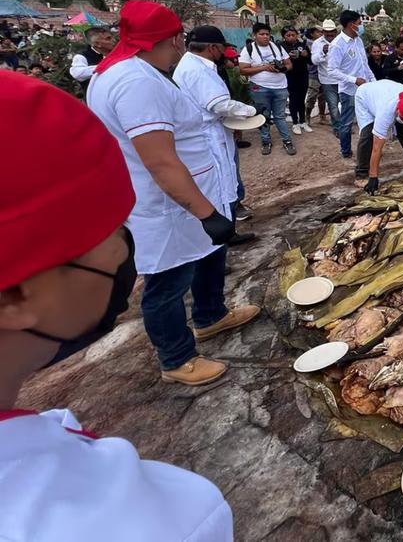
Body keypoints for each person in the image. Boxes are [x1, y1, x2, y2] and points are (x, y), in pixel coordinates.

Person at [0, 74, 234, 541]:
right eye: (112, 232)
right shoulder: (158, 520)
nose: (124, 253)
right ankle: (177, 358)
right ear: (15, 296)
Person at [87, 0, 259, 387]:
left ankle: (211, 315)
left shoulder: (126, 71)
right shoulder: (137, 83)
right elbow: (160, 161)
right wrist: (206, 213)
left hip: (190, 192)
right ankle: (177, 358)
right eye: (176, 40)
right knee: (169, 281)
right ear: (166, 40)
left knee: (207, 255)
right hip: (168, 203)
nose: (179, 47)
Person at [173, 25, 258, 235]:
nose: (223, 53)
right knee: (222, 182)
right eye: (221, 48)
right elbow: (220, 105)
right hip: (208, 135)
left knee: (225, 179)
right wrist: (251, 110)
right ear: (212, 48)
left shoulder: (192, 64)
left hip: (211, 130)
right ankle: (226, 233)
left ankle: (229, 229)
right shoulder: (197, 70)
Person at [353, 80, 403, 193]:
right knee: (367, 135)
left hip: (384, 90)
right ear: (397, 109)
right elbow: (377, 148)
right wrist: (373, 177)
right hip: (364, 96)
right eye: (402, 117)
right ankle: (361, 175)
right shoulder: (384, 113)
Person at [238, 22, 294, 156]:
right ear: (254, 35)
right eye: (261, 34)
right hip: (260, 87)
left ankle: (287, 141)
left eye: (267, 34)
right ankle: (266, 141)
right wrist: (264, 67)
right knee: (264, 116)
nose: (265, 37)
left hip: (280, 87)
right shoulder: (249, 49)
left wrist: (282, 69)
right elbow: (243, 70)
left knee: (280, 116)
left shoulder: (277, 47)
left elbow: (289, 64)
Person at [328, 10, 376, 159]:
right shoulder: (337, 45)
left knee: (368, 121)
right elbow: (331, 71)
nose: (361, 26)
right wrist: (353, 80)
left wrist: (373, 81)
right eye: (359, 23)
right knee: (347, 123)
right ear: (351, 25)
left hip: (366, 89)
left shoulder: (358, 40)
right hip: (349, 91)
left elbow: (364, 64)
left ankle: (368, 152)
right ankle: (346, 152)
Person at [310, 19, 341, 132]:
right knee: (333, 105)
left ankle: (344, 127)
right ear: (323, 32)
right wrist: (323, 52)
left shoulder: (341, 41)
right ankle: (337, 128)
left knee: (345, 105)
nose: (329, 34)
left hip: (343, 79)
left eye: (331, 31)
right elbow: (314, 61)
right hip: (327, 80)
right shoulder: (317, 43)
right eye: (327, 31)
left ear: (335, 31)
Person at [280, 27, 312, 135]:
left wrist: (306, 55)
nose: (291, 37)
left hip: (303, 75)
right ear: (283, 36)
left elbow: (311, 61)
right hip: (289, 76)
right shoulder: (281, 47)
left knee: (301, 99)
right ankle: (295, 123)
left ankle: (303, 121)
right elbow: (279, 62)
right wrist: (288, 57)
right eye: (288, 35)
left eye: (293, 35)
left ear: (297, 35)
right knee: (293, 99)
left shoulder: (302, 44)